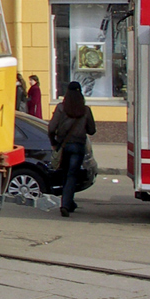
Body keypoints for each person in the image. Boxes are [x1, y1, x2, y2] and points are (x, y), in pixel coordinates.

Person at [48, 81, 96, 217]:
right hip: (78, 146)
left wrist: (53, 142)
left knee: (65, 173)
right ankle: (67, 203)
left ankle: (67, 202)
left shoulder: (60, 108)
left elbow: (51, 128)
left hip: (63, 146)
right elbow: (92, 130)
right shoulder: (85, 110)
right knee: (72, 174)